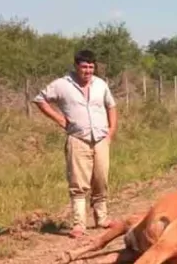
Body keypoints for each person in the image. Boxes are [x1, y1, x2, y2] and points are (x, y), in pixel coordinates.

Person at [33, 49, 118, 238]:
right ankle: (79, 223)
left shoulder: (101, 85)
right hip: (78, 139)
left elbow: (111, 106)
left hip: (101, 138)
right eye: (84, 67)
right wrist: (59, 119)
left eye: (91, 67)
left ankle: (102, 218)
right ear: (76, 66)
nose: (87, 71)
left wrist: (111, 131)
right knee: (78, 183)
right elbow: (40, 99)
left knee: (101, 179)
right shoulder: (62, 85)